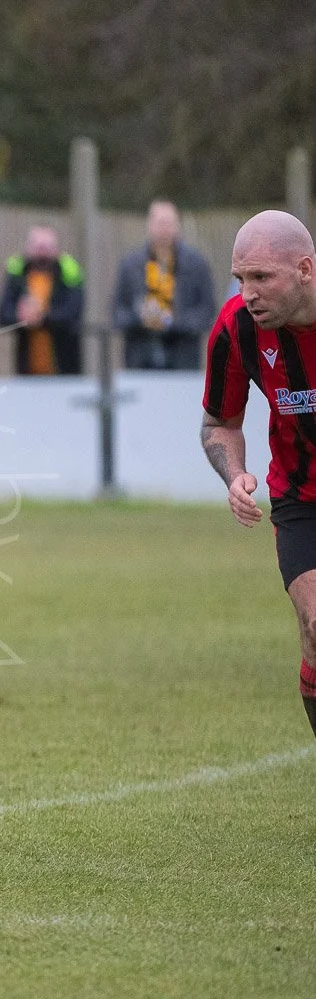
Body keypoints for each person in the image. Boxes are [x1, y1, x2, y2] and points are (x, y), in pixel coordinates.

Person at [201, 209, 316, 739]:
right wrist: (235, 475)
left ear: (305, 270)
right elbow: (219, 424)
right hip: (300, 499)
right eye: (240, 277)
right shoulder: (235, 327)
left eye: (262, 278)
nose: (248, 293)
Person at [115, 199, 218, 370]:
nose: (165, 229)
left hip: (183, 360)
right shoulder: (130, 265)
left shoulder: (196, 264)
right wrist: (141, 318)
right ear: (149, 225)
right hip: (140, 359)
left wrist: (171, 322)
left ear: (178, 226)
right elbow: (117, 311)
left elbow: (207, 311)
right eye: (160, 223)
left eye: (169, 223)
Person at [0, 225, 83, 375]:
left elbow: (73, 312)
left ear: (56, 250)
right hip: (26, 366)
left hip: (63, 366)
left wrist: (41, 317)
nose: (42, 253)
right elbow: (4, 313)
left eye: (46, 247)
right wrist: (21, 317)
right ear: (28, 248)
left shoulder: (69, 273)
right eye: (38, 247)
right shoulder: (18, 274)